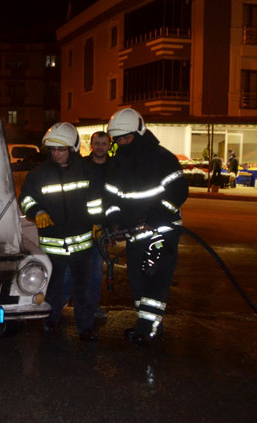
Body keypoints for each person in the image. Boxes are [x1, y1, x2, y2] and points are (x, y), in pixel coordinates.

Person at [102, 108, 188, 347]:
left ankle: (147, 328)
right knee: (137, 279)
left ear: (139, 132)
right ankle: (149, 324)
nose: (121, 142)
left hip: (161, 232)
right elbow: (109, 198)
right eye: (117, 139)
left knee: (154, 278)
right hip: (135, 233)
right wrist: (114, 219)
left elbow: (178, 192)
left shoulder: (162, 159)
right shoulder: (117, 162)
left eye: (126, 138)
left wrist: (155, 216)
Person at [18, 122, 101, 341]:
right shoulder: (38, 175)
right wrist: (37, 211)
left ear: (72, 148)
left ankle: (85, 328)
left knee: (83, 291)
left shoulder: (86, 170)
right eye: (53, 149)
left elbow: (95, 201)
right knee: (53, 289)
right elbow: (25, 198)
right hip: (53, 245)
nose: (56, 153)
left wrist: (97, 222)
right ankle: (50, 320)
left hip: (82, 246)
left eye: (61, 149)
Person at [62, 131, 111, 318]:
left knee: (96, 272)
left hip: (101, 228)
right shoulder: (81, 166)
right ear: (91, 145)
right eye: (96, 143)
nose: (100, 146)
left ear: (109, 145)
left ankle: (91, 307)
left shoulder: (114, 167)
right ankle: (62, 303)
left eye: (103, 143)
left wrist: (110, 226)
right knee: (69, 268)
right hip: (80, 226)